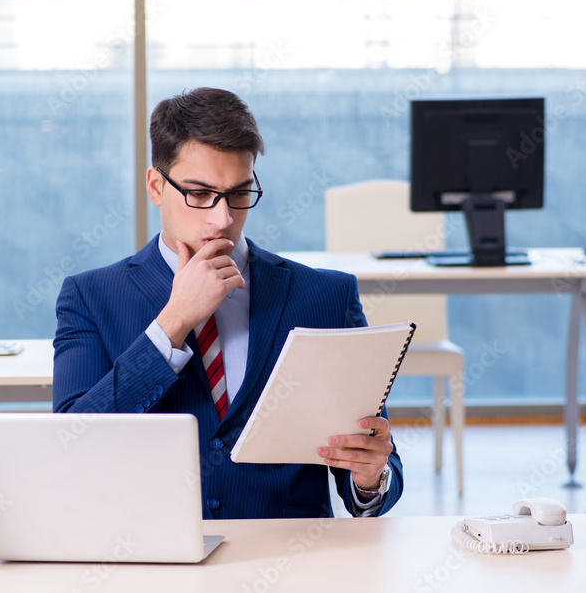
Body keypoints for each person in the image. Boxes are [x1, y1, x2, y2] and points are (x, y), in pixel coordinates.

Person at [53, 87, 402, 519]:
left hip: (292, 559)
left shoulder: (327, 297)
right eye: (199, 194)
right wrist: (173, 322)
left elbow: (375, 465)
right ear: (156, 186)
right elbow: (70, 444)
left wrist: (369, 477)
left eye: (239, 193)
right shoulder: (90, 297)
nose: (222, 220)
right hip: (151, 553)